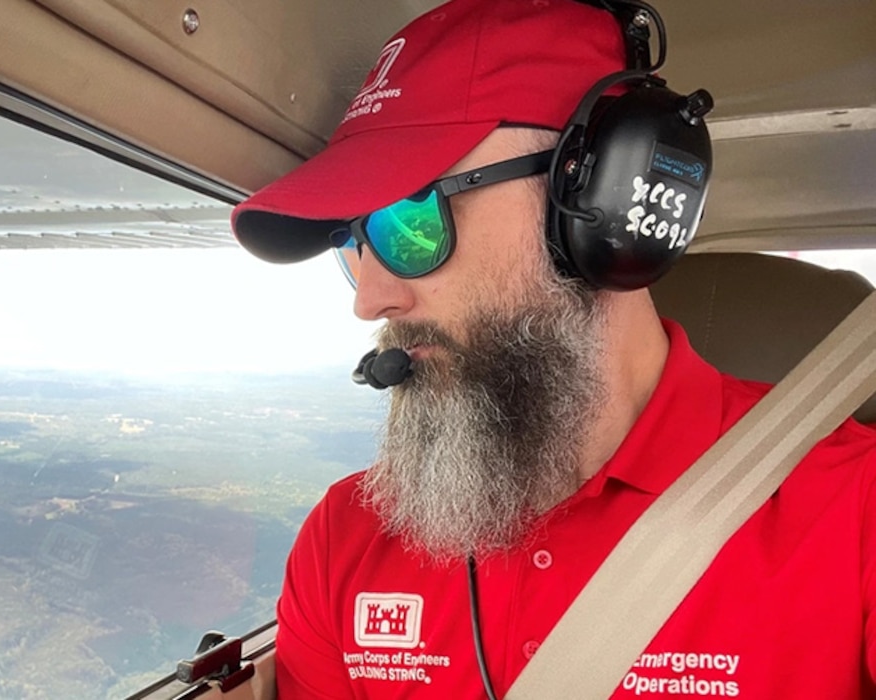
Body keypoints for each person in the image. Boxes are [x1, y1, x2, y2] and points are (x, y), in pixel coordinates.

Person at [229, 0, 876, 697]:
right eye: (352, 243)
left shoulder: (854, 514)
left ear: (598, 197)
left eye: (412, 218)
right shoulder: (345, 541)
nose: (369, 300)